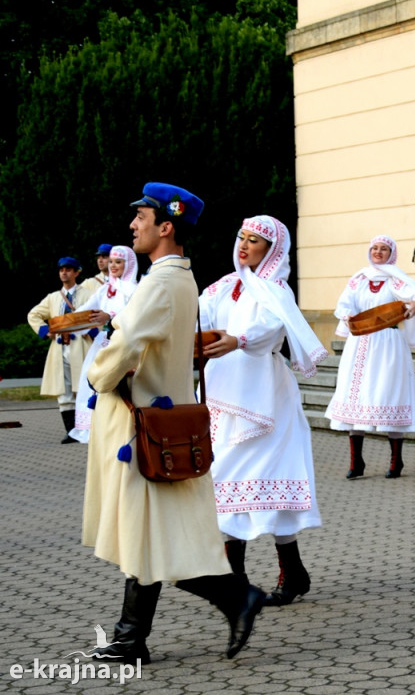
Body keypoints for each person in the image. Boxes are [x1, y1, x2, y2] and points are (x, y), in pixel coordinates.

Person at [82, 182, 265, 664]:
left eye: (140, 217)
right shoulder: (179, 276)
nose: (132, 225)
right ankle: (133, 637)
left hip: (142, 426)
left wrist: (98, 375)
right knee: (152, 533)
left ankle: (144, 634)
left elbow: (126, 347)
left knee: (151, 534)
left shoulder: (161, 282)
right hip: (157, 423)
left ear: (166, 226)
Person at [200, 215, 328, 606]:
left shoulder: (275, 289)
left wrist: (238, 339)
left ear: (271, 251)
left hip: (265, 393)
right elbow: (197, 315)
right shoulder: (224, 285)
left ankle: (271, 577)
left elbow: (272, 327)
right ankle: (256, 579)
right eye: (241, 236)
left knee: (264, 478)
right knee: (222, 478)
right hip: (222, 390)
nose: (244, 245)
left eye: (254, 240)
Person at [325, 235, 415, 479]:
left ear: (392, 253)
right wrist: (348, 316)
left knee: (388, 393)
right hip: (360, 343)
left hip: (388, 343)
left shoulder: (396, 279)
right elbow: (343, 305)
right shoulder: (359, 279)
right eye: (375, 248)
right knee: (355, 396)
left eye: (384, 249)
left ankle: (395, 461)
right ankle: (357, 463)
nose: (378, 252)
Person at [69, 245, 140, 443]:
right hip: (103, 343)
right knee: (91, 379)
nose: (113, 266)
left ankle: (120, 426)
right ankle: (94, 426)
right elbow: (86, 310)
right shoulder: (105, 290)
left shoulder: (134, 289)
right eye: (111, 262)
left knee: (118, 384)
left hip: (123, 343)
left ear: (129, 264)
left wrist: (109, 317)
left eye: (118, 262)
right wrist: (65, 324)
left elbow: (135, 317)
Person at [27, 257, 95, 443]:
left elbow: (99, 314)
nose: (64, 272)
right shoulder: (53, 298)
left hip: (81, 346)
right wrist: (44, 330)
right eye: (61, 270)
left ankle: (88, 429)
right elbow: (33, 314)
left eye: (68, 269)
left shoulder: (88, 294)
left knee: (84, 387)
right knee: (63, 390)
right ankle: (71, 431)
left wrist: (93, 332)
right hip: (60, 347)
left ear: (76, 272)